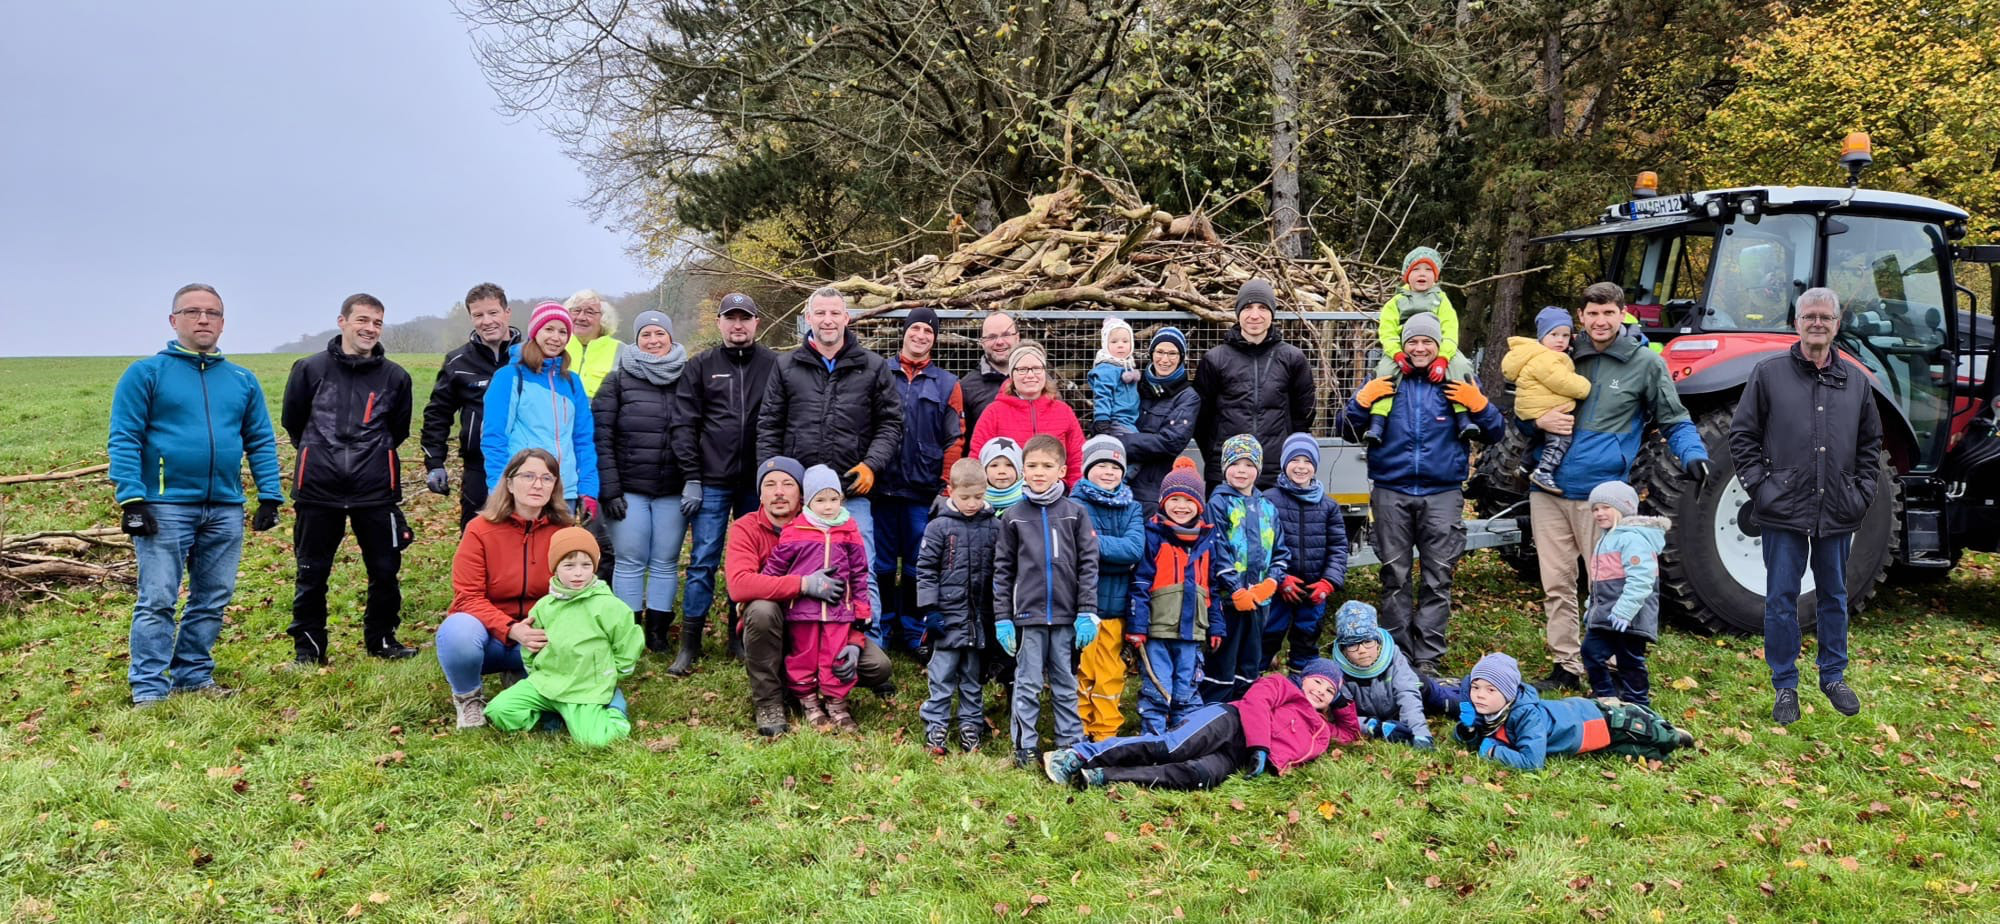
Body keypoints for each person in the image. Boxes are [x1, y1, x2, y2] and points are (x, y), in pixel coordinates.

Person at [1525, 282, 1710, 693]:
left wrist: (1693, 454)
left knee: (1608, 584)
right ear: (1581, 316)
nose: (1600, 321)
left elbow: (1674, 418)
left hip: (1602, 496)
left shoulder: (1645, 364)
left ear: (1622, 313)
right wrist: (1536, 422)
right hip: (1549, 489)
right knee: (1556, 584)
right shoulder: (1561, 355)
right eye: (1592, 313)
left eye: (1608, 312)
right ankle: (1565, 664)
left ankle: (1608, 666)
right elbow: (1526, 404)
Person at [109, 283, 284, 707]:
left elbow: (260, 440)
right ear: (174, 321)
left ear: (223, 323)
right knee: (158, 598)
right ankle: (149, 688)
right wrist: (132, 499)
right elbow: (125, 436)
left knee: (212, 598)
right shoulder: (146, 374)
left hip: (225, 507)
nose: (203, 319)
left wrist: (270, 495)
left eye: (212, 313)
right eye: (192, 312)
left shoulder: (242, 380)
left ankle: (192, 676)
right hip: (165, 506)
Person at [1727, 286, 1880, 725]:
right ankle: (1785, 684)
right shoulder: (1769, 374)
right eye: (1809, 316)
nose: (1817, 323)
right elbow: (1742, 435)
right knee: (1781, 598)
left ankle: (1833, 675)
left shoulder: (1856, 381)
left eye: (1825, 317)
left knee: (1834, 595)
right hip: (1784, 509)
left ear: (1836, 325)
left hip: (1837, 509)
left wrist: (1861, 491)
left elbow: (1870, 443)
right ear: (1796, 323)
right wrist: (1762, 489)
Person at [1341, 312, 1504, 678]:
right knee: (1394, 575)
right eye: (1412, 341)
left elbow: (1495, 432)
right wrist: (1361, 402)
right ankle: (1398, 653)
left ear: (1437, 345)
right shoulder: (1385, 377)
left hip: (1442, 492)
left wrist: (1479, 405)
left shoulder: (1455, 378)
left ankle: (1428, 656)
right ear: (1403, 345)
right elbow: (1347, 430)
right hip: (1391, 490)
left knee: (1438, 576)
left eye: (1426, 341)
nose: (1419, 348)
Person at [280, 292, 417, 667]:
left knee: (385, 571)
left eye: (377, 322)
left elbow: (398, 430)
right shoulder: (309, 369)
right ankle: (309, 649)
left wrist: (369, 457)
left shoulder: (396, 378)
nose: (370, 328)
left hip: (375, 490)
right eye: (362, 320)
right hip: (318, 489)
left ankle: (382, 639)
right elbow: (293, 422)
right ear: (342, 321)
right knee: (312, 572)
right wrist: (321, 454)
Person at [757, 286, 904, 628]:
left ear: (847, 318)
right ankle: (803, 642)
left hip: (851, 492)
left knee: (861, 568)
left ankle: (868, 643)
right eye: (820, 313)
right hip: (800, 494)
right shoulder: (786, 366)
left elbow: (891, 423)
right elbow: (769, 425)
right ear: (808, 318)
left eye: (835, 313)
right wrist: (770, 481)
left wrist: (872, 464)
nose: (828, 320)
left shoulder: (872, 366)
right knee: (797, 569)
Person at [728, 456, 895, 737]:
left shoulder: (829, 526)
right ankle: (769, 701)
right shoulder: (747, 527)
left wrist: (855, 638)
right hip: (775, 628)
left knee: (878, 667)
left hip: (829, 623)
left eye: (787, 484)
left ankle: (821, 692)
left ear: (802, 493)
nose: (778, 492)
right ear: (760, 493)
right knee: (762, 609)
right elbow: (739, 586)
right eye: (769, 485)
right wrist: (804, 584)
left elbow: (856, 580)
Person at [1041, 659, 1359, 791]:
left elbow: (1349, 733)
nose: (1321, 691)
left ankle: (1103, 776)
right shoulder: (1283, 686)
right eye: (1318, 682)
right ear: (1304, 679)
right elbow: (1256, 701)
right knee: (1171, 747)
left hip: (1238, 756)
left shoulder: (1321, 730)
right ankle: (1077, 755)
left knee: (1196, 776)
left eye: (1329, 690)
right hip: (1230, 722)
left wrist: (1342, 702)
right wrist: (1261, 746)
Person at [672, 292, 778, 664]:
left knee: (754, 562)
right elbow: (684, 424)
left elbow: (784, 420)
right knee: (703, 559)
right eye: (730, 318)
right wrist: (692, 476)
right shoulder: (700, 366)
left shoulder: (774, 365)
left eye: (744, 318)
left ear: (756, 323)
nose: (737, 325)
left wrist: (776, 475)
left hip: (758, 483)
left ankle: (741, 636)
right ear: (719, 323)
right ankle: (690, 643)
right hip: (712, 479)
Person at [435, 448, 574, 729]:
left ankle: (523, 677)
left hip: (540, 636)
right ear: (509, 483)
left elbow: (577, 592)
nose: (537, 485)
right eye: (528, 476)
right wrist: (511, 628)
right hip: (488, 637)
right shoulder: (479, 529)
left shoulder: (566, 532)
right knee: (457, 633)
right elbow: (468, 597)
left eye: (547, 478)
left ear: (555, 487)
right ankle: (469, 698)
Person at [994, 435, 1101, 769]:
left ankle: (1070, 743)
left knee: (1066, 683)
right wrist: (1003, 618)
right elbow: (1002, 570)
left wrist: (1087, 611)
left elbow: (1088, 564)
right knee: (1026, 683)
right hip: (1029, 617)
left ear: (1062, 471)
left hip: (1068, 617)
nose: (1039, 472)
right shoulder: (1013, 517)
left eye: (1047, 466)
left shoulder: (1075, 514)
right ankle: (1025, 746)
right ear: (1023, 470)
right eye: (1032, 466)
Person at [484, 527, 642, 747]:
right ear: (555, 568)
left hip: (585, 687)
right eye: (569, 565)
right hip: (547, 683)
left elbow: (627, 642)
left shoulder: (609, 606)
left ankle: (614, 707)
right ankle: (551, 713)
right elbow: (531, 643)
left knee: (595, 741)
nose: (578, 573)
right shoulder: (544, 607)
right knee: (498, 710)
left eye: (586, 565)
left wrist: (612, 674)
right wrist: (534, 670)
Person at [592, 310, 689, 655]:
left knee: (665, 560)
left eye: (659, 334)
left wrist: (693, 480)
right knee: (631, 560)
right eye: (645, 334)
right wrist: (609, 489)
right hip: (628, 489)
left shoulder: (687, 379)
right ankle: (629, 631)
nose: (653, 340)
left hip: (672, 489)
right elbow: (601, 437)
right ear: (636, 340)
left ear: (670, 337)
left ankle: (658, 634)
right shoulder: (617, 381)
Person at [875, 307, 966, 652]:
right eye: (915, 328)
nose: (921, 336)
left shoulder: (948, 384)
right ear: (904, 332)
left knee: (919, 564)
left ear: (935, 339)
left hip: (922, 491)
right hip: (881, 488)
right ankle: (883, 628)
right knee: (882, 563)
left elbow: (955, 439)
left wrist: (945, 485)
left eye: (928, 332)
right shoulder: (880, 372)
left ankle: (914, 631)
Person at [761, 465, 874, 731]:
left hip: (839, 612)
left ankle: (837, 703)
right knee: (804, 656)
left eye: (834, 499)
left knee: (835, 657)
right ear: (808, 501)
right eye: (820, 500)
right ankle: (808, 701)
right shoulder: (794, 530)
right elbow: (775, 568)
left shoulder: (849, 530)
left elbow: (860, 573)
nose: (828, 506)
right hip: (803, 611)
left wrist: (862, 610)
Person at [1451, 653, 1694, 770]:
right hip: (1589, 743)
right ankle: (1660, 752)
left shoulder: (1526, 716)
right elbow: (1476, 735)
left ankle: (1672, 734)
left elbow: (1532, 762)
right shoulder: (1485, 708)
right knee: (1631, 751)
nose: (1480, 695)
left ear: (1508, 694)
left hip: (1594, 720)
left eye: (1490, 689)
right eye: (1475, 687)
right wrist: (1467, 730)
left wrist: (1493, 751)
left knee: (1637, 726)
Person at [1194, 279, 1316, 491]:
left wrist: (1286, 457)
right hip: (1226, 472)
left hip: (1276, 471)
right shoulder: (1214, 359)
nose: (1255, 315)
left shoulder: (1293, 359)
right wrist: (1218, 457)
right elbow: (1201, 418)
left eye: (1263, 308)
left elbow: (1303, 415)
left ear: (1272, 313)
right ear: (1238, 312)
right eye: (1248, 307)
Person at [481, 302, 600, 520]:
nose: (556, 337)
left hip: (564, 493)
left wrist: (589, 490)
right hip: (523, 493)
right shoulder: (510, 377)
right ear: (535, 332)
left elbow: (583, 440)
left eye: (563, 332)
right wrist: (500, 490)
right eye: (549, 329)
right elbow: (494, 438)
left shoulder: (572, 382)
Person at [915, 458, 1000, 755]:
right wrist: (930, 609)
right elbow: (925, 570)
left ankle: (970, 725)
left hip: (979, 620)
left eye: (978, 496)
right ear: (951, 491)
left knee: (973, 677)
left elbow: (1000, 572)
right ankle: (935, 725)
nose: (972, 503)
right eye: (965, 497)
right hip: (946, 618)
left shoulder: (995, 527)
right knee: (942, 676)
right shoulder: (938, 527)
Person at [1128, 458, 1219, 734]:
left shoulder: (1207, 541)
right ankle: (1153, 739)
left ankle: (1185, 738)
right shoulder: (1153, 535)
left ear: (1199, 505)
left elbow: (1213, 588)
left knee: (1187, 688)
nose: (1181, 506)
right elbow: (1140, 583)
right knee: (1157, 687)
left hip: (1193, 632)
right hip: (1157, 631)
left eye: (1189, 500)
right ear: (1163, 501)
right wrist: (1137, 626)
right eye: (1174, 499)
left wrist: (1216, 626)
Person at [422, 282, 522, 527]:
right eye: (478, 315)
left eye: (493, 312)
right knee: (476, 535)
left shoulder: (530, 357)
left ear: (507, 313)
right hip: (479, 466)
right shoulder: (457, 362)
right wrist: (435, 463)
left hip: (527, 464)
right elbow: (438, 414)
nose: (487, 321)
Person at [1204, 434, 1289, 703]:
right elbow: (1216, 550)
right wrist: (1235, 589)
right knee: (1222, 662)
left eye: (1249, 465)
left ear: (1258, 469)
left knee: (1250, 662)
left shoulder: (1267, 508)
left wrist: (1271, 583)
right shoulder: (1218, 503)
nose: (1242, 471)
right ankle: (1215, 710)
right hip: (1228, 602)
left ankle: (1245, 709)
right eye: (1235, 464)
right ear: (1224, 467)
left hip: (1260, 603)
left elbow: (1281, 552)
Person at [1071, 435, 1145, 741]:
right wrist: (1112, 554)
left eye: (1115, 467)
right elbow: (1077, 548)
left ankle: (1105, 734)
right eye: (1101, 465)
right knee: (1082, 670)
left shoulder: (1132, 507)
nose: (1108, 472)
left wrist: (1095, 545)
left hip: (1117, 608)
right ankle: (1077, 732)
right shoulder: (1075, 505)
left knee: (1110, 674)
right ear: (1087, 468)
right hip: (1082, 608)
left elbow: (1134, 550)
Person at [1366, 247, 1478, 444]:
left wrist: (1443, 357)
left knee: (1462, 366)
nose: (1422, 274)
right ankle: (1378, 421)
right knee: (1384, 372)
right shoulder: (1396, 302)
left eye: (1428, 270)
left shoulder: (1441, 300)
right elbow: (1387, 332)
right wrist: (1397, 355)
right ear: (1406, 275)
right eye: (1416, 269)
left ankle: (1463, 417)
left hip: (1438, 350)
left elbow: (1450, 331)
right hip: (1403, 350)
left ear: (1436, 276)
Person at [1263, 433, 1348, 672]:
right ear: (1284, 463)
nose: (1301, 467)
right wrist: (1279, 578)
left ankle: (1302, 676)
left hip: (1314, 588)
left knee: (1307, 634)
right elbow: (1262, 546)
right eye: (1295, 460)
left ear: (1315, 467)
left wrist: (1329, 582)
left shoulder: (1329, 506)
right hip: (1278, 585)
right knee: (1269, 631)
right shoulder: (1268, 500)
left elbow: (1338, 548)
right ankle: (1258, 676)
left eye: (1307, 461)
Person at [1578, 481, 1667, 708]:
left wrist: (1625, 611)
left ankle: (1639, 703)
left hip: (1629, 616)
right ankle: (1606, 697)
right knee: (1590, 651)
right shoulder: (1605, 539)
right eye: (1595, 509)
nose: (1599, 513)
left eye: (1606, 507)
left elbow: (1642, 579)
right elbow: (1600, 582)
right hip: (1606, 616)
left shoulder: (1632, 539)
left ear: (1623, 508)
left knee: (1629, 660)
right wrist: (1591, 608)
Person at [967, 341, 1085, 487]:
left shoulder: (1063, 411)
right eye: (1022, 369)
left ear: (1044, 372)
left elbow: (1077, 460)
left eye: (1036, 368)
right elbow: (977, 458)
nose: (1030, 375)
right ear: (1012, 374)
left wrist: (1074, 493)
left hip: (1056, 495)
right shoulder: (993, 412)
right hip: (1008, 495)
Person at [1503, 307, 1592, 495]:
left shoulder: (1536, 354)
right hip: (1542, 408)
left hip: (1532, 408)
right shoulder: (1546, 358)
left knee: (1537, 439)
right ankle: (1544, 471)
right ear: (1542, 336)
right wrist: (1585, 386)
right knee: (1560, 438)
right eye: (1554, 334)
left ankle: (1525, 467)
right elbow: (1563, 382)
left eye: (1565, 335)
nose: (1560, 340)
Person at [1328, 601, 1433, 749]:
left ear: (1377, 642)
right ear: (1343, 649)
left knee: (1434, 692)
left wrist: (1420, 733)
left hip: (1414, 694)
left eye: (1368, 641)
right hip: (1374, 716)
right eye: (1352, 644)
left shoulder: (1394, 656)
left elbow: (1407, 693)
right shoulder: (1337, 673)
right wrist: (1371, 726)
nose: (1362, 650)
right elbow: (1342, 715)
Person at [1118, 326, 1200, 515]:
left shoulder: (1187, 397)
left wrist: (1120, 442)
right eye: (1160, 352)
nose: (1165, 359)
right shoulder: (1133, 384)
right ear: (1151, 353)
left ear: (1181, 357)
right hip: (1116, 479)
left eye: (1172, 353)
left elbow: (1171, 441)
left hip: (1153, 488)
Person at [959, 311, 1020, 454]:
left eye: (1006, 335)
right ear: (982, 343)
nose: (999, 342)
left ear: (1017, 338)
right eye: (991, 337)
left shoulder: (1037, 380)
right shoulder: (967, 387)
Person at [562, 288, 623, 397]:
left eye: (589, 312)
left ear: (604, 318)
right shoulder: (557, 345)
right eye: (576, 311)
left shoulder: (622, 352)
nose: (581, 317)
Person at [1089, 317, 1141, 435]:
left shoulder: (1127, 365)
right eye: (1114, 342)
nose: (1120, 345)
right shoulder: (1106, 369)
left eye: (1125, 341)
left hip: (1130, 420)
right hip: (1116, 422)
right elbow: (1102, 395)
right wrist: (1102, 419)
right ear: (1105, 344)